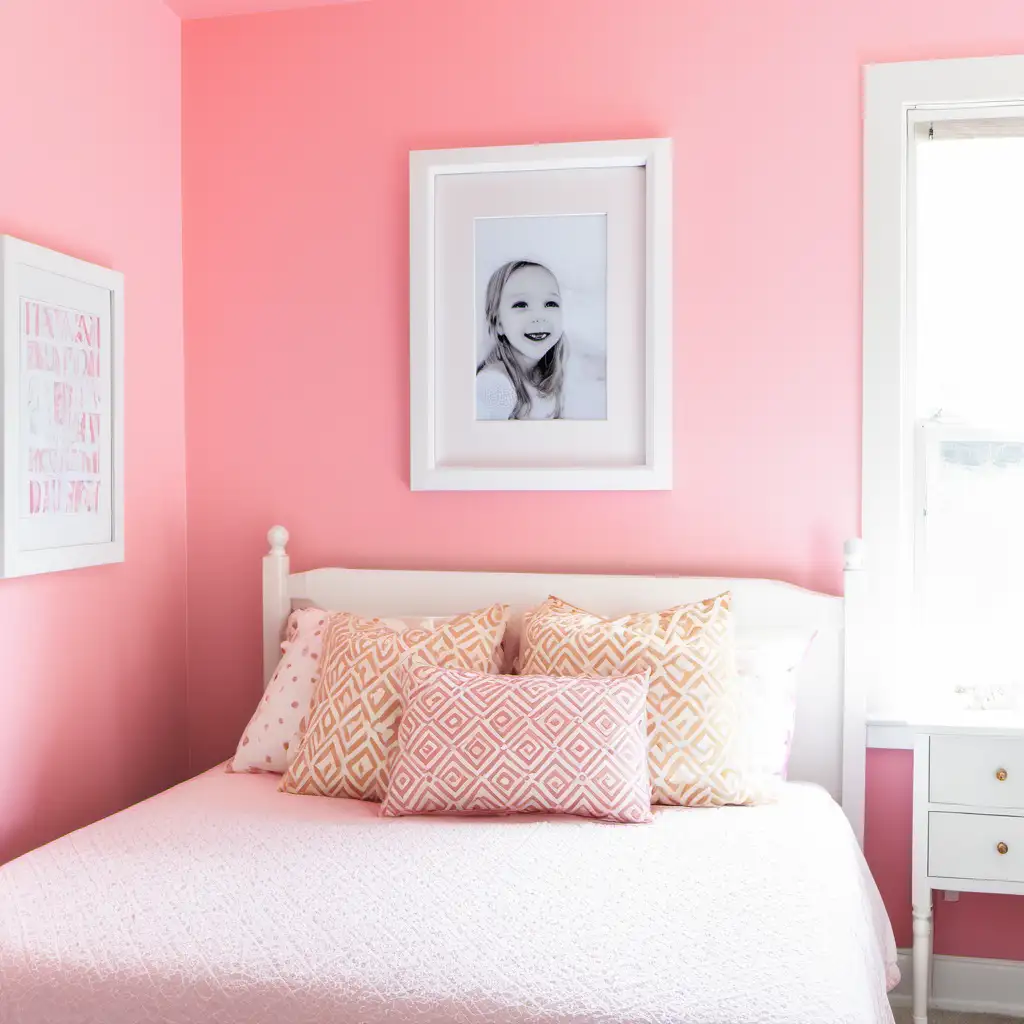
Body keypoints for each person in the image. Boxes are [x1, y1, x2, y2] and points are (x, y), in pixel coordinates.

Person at [476, 260, 567, 420]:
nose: (539, 316)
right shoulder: (495, 385)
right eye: (521, 305)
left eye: (550, 303)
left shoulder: (549, 371)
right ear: (498, 324)